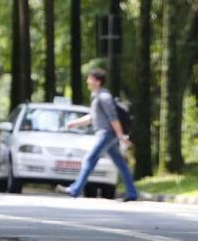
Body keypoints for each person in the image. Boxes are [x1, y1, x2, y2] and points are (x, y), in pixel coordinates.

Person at [56, 68, 138, 202]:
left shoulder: (104, 97)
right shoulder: (97, 97)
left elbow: (113, 118)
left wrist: (120, 135)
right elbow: (92, 117)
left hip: (107, 134)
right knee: (121, 164)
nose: (88, 81)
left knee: (89, 159)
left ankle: (75, 189)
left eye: (90, 79)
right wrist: (74, 123)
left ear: (98, 82)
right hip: (108, 134)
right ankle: (132, 193)